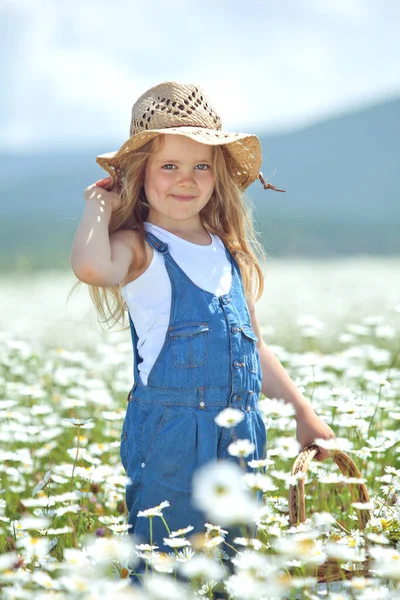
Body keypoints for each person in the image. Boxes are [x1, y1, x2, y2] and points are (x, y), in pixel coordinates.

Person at [70, 81, 335, 585]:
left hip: (241, 436)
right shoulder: (138, 247)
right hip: (170, 438)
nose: (185, 180)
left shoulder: (227, 250)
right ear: (139, 175)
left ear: (217, 177)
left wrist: (303, 413)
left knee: (235, 568)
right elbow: (91, 268)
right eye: (168, 166)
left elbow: (254, 348)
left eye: (200, 166)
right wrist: (97, 206)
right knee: (165, 570)